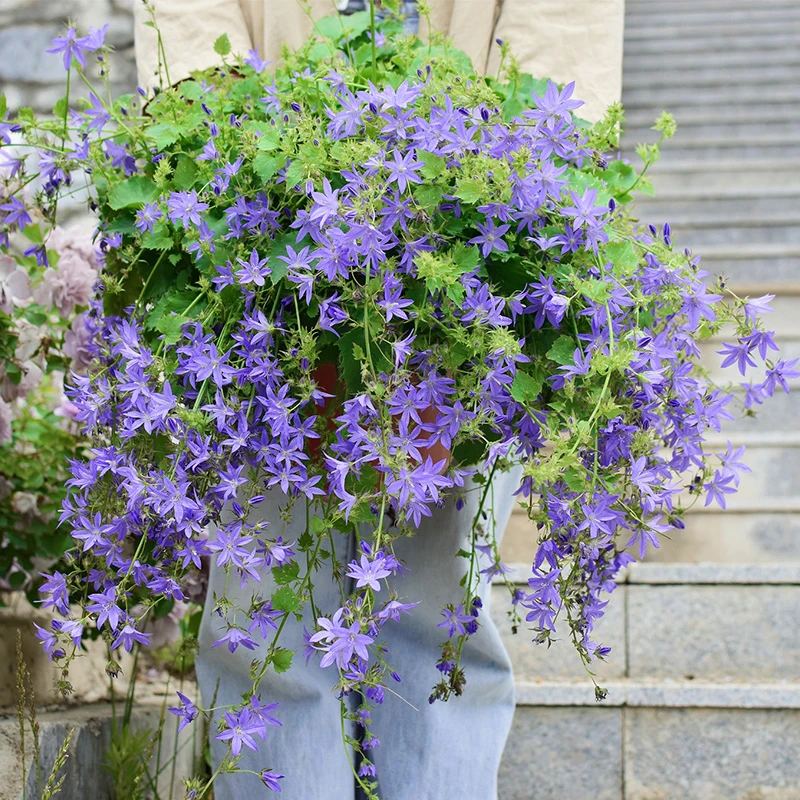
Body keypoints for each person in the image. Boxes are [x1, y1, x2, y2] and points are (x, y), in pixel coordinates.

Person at [133, 3, 624, 798]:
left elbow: (562, 66)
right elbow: (187, 43)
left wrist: (485, 213)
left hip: (466, 288)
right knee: (263, 611)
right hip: (269, 276)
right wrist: (226, 147)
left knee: (439, 617)